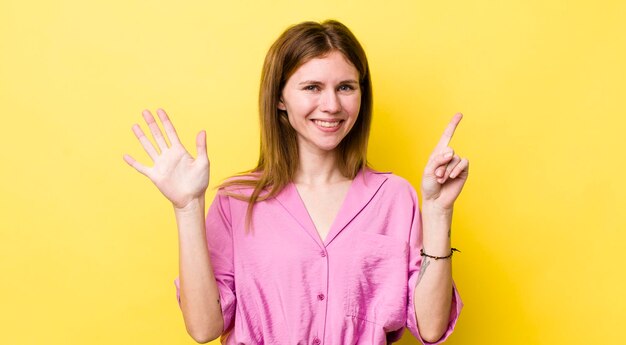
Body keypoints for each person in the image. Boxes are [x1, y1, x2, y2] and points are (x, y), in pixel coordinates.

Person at [123, 19, 468, 345]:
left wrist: (438, 212)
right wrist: (187, 208)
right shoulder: (237, 201)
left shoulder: (394, 197)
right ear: (280, 99)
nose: (331, 105)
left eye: (346, 87)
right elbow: (204, 328)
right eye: (312, 87)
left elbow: (431, 326)